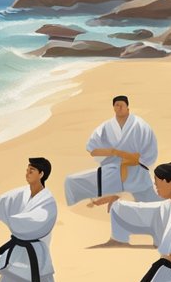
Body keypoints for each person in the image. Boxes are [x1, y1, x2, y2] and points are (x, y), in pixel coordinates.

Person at [65, 95, 160, 243]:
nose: (119, 108)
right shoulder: (106, 127)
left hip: (137, 169)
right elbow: (92, 149)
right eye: (116, 105)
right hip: (112, 168)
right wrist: (111, 153)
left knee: (152, 203)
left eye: (121, 105)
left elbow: (149, 152)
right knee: (73, 181)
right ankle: (74, 211)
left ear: (128, 107)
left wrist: (129, 157)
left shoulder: (140, 126)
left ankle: (156, 231)